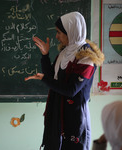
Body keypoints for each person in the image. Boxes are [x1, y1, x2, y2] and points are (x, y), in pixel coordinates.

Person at [25, 12, 104, 150]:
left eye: (59, 32)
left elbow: (71, 90)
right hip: (58, 113)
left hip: (73, 117)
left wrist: (44, 79)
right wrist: (45, 56)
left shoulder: (86, 58)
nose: (57, 37)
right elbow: (51, 78)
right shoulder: (65, 52)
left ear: (71, 32)